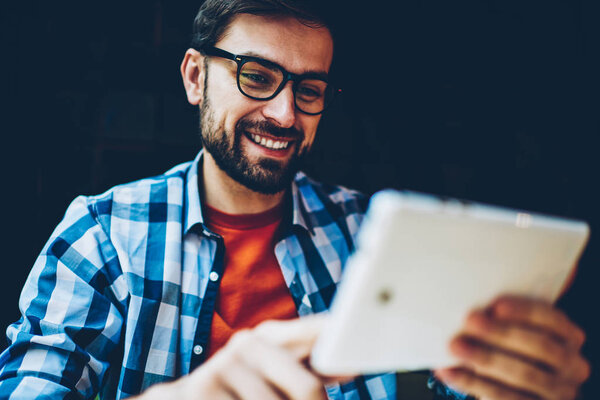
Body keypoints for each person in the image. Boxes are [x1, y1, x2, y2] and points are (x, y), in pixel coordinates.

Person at [0, 1, 590, 399]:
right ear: (194, 78)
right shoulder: (101, 233)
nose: (285, 114)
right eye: (256, 76)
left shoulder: (374, 232)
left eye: (309, 90)